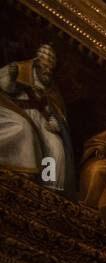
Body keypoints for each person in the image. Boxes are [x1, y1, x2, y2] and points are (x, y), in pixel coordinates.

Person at [0, 44, 73, 193]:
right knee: (24, 128)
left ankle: (48, 186)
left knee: (56, 146)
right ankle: (22, 170)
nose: (47, 70)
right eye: (45, 66)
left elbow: (54, 109)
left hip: (41, 119)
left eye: (50, 69)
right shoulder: (22, 69)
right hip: (20, 110)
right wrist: (11, 76)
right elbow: (6, 87)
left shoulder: (51, 87)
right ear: (38, 62)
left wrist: (55, 123)